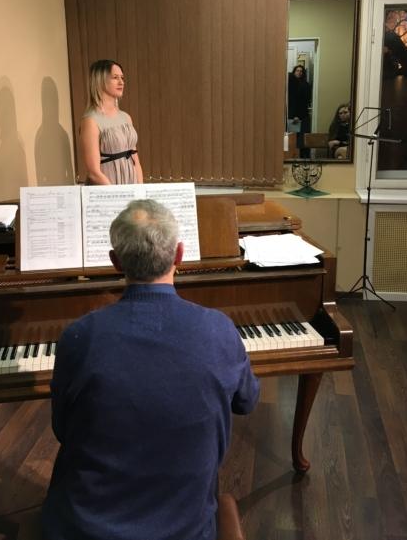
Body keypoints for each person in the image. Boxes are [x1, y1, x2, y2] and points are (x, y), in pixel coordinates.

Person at [42, 199, 260, 540]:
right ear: (179, 255)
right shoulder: (218, 329)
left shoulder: (78, 336)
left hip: (85, 531)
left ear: (115, 261)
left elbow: (62, 429)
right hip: (185, 531)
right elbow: (247, 401)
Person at [80, 59, 143, 184]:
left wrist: (140, 189)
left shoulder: (126, 117)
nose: (121, 82)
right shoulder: (91, 121)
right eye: (115, 77)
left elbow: (135, 159)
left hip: (130, 187)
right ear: (100, 81)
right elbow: (94, 172)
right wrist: (115, 193)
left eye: (122, 78)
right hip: (107, 188)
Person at [287, 64, 312, 156]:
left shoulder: (306, 85)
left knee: (303, 139)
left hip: (303, 115)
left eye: (301, 71)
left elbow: (305, 101)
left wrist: (298, 115)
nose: (299, 72)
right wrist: (294, 115)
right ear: (294, 72)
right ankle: (292, 157)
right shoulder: (290, 83)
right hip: (293, 115)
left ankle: (303, 158)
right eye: (297, 70)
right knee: (293, 138)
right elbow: (291, 101)